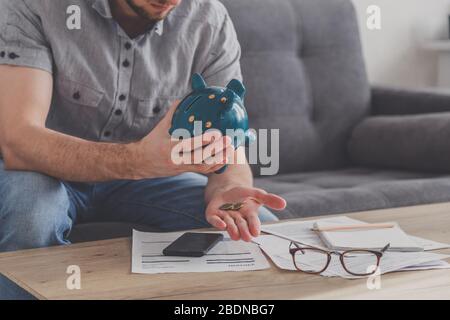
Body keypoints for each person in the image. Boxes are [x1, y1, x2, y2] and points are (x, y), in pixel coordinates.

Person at [0, 0, 287, 299]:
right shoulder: (36, 6)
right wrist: (136, 161)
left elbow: (229, 141)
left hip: (149, 176)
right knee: (29, 221)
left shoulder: (208, 20)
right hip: (42, 169)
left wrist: (227, 188)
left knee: (256, 232)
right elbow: (20, 140)